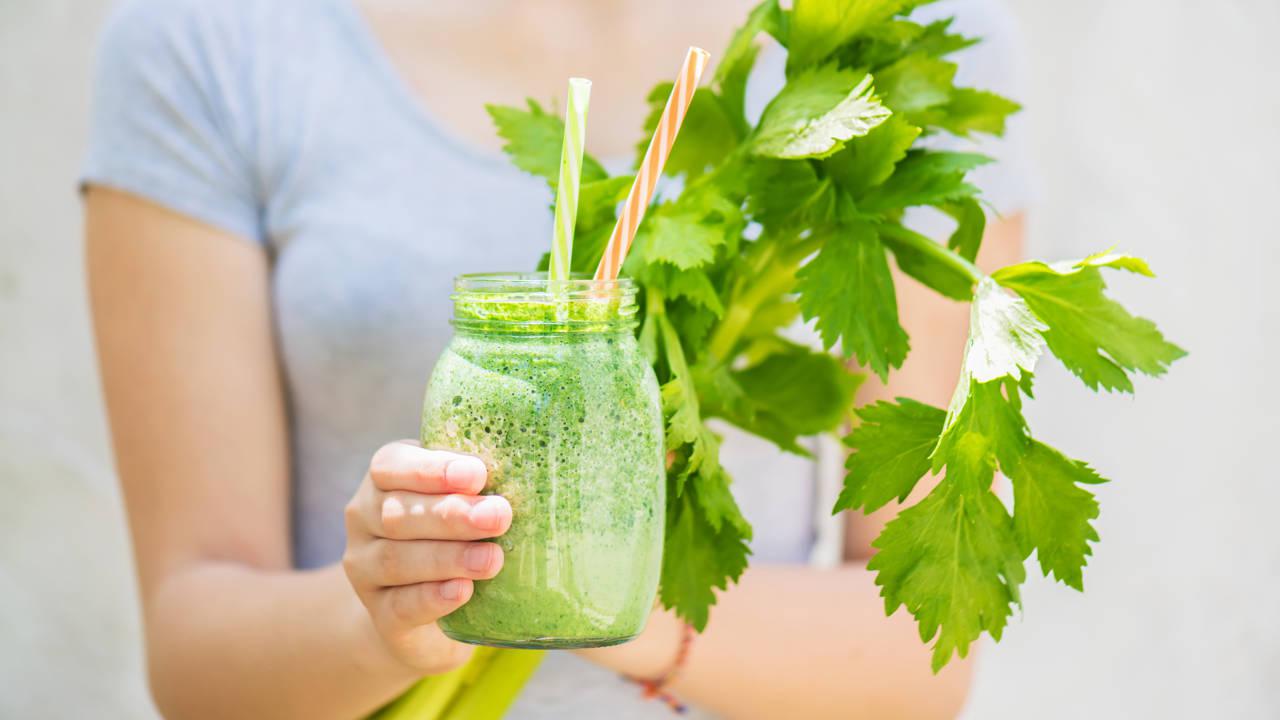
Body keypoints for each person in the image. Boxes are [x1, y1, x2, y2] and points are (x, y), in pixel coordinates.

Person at [83, 0, 1030, 717]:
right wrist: (391, 618)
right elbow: (193, 648)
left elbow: (920, 642)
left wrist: (595, 584)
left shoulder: (904, 36)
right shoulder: (208, 36)